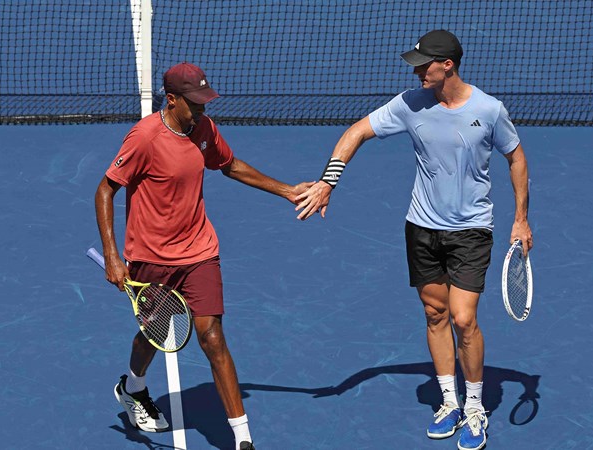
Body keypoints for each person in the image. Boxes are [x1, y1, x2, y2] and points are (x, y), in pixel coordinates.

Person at [295, 29, 532, 450]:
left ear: (448, 65)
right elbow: (356, 132)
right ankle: (449, 402)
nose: (417, 70)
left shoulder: (489, 110)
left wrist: (521, 220)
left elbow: (515, 157)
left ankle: (475, 407)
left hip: (472, 229)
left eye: (424, 64)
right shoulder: (409, 103)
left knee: (463, 318)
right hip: (421, 227)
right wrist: (329, 182)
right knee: (435, 313)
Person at [95, 61, 313, 450]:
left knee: (212, 337)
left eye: (204, 101)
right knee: (155, 332)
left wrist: (287, 190)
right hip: (152, 255)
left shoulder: (204, 130)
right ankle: (133, 386)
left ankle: (243, 438)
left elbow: (229, 165)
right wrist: (113, 256)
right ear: (172, 99)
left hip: (199, 251)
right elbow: (105, 190)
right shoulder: (144, 137)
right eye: (194, 103)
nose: (202, 110)